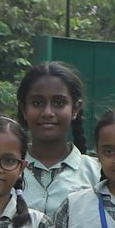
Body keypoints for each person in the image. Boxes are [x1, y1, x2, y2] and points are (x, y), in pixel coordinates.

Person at [15, 62, 100, 213]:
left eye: (59, 103)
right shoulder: (6, 168)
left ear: (75, 109)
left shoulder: (97, 173)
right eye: (37, 103)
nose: (47, 112)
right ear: (23, 109)